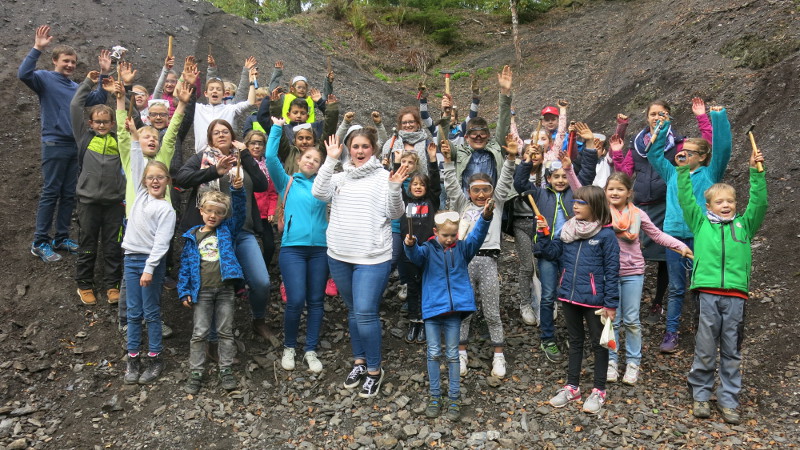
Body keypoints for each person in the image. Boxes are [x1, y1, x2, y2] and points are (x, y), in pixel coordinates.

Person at [566, 169, 691, 384]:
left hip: (632, 272)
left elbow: (657, 235)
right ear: (604, 192)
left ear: (629, 192)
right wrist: (569, 169)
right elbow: (581, 193)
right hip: (606, 273)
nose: (615, 192)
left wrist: (680, 246)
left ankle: (633, 362)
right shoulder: (601, 213)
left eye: (620, 189)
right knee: (611, 320)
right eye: (611, 189)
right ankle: (612, 361)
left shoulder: (638, 215)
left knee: (632, 320)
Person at [312, 130, 411, 398]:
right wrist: (330, 160)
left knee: (366, 312)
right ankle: (359, 361)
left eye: (365, 146)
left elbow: (395, 213)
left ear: (374, 149)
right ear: (348, 149)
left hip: (372, 257)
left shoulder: (383, 177)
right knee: (354, 311)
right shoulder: (340, 176)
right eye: (355, 146)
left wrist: (394, 188)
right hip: (339, 255)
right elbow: (319, 193)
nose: (359, 151)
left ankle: (375, 370)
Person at [678, 148, 766, 425]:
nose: (726, 205)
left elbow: (760, 203)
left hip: (737, 295)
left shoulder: (744, 225)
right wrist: (682, 171)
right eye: (719, 202)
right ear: (709, 206)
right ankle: (701, 394)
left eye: (730, 201)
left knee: (731, 349)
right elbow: (685, 199)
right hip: (707, 293)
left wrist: (756, 172)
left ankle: (729, 400)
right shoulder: (701, 223)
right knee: (705, 347)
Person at [614, 99, 712, 325]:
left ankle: (658, 301)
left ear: (669, 117)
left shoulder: (679, 144)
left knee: (663, 258)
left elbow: (706, 147)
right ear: (647, 117)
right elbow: (625, 174)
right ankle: (625, 302)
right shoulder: (637, 144)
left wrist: (702, 118)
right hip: (639, 207)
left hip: (664, 206)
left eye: (663, 114)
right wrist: (618, 154)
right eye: (653, 114)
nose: (657, 117)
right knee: (632, 250)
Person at [175, 120, 272, 341]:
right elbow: (181, 178)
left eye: (225, 131)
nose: (221, 135)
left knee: (261, 281)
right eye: (216, 132)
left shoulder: (243, 159)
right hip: (212, 233)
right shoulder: (203, 157)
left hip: (242, 231)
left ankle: (258, 320)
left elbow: (261, 184)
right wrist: (214, 171)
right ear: (210, 138)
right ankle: (211, 338)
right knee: (212, 287)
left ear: (233, 135)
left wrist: (245, 154)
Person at [19, 25, 109, 262]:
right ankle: (40, 242)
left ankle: (61, 237)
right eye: (66, 61)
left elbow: (98, 98)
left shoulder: (74, 87)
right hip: (54, 143)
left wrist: (104, 74)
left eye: (73, 62)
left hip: (75, 146)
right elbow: (23, 74)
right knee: (51, 192)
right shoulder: (44, 78)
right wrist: (37, 48)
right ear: (55, 61)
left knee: (69, 193)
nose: (70, 65)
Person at [647, 105, 731, 353]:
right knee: (675, 287)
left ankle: (702, 333)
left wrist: (718, 117)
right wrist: (662, 126)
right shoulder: (672, 173)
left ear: (703, 157)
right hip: (674, 235)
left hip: (701, 235)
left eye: (690, 153)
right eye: (682, 152)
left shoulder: (711, 172)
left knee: (701, 285)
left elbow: (724, 148)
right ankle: (671, 333)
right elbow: (653, 154)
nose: (683, 156)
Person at [514, 124, 599, 364]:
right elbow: (520, 184)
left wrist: (589, 145)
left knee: (573, 291)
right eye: (556, 176)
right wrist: (527, 161)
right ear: (548, 178)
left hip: (573, 248)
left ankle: (576, 334)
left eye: (564, 176)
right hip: (547, 248)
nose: (561, 180)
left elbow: (588, 173)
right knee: (548, 292)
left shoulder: (577, 193)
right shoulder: (539, 194)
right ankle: (547, 337)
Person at [405, 202, 492, 421]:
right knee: (433, 353)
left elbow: (477, 236)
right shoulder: (427, 249)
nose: (450, 239)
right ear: (436, 232)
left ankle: (454, 398)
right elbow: (415, 257)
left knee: (453, 356)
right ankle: (435, 397)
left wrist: (486, 217)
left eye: (453, 235)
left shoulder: (463, 249)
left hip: (454, 311)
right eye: (446, 235)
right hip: (433, 310)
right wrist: (410, 245)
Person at [538, 186, 619, 415]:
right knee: (575, 342)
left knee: (599, 344)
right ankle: (572, 387)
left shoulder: (606, 235)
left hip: (595, 302)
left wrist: (611, 304)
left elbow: (612, 271)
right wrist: (544, 235)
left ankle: (599, 390)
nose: (575, 205)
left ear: (595, 206)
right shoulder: (568, 229)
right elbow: (552, 254)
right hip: (568, 296)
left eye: (581, 202)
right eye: (575, 201)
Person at [441, 133, 516, 379]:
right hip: (466, 261)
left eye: (486, 190)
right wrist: (448, 161)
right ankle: (460, 353)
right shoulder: (463, 205)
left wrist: (511, 159)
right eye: (477, 191)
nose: (481, 195)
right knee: (464, 308)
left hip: (489, 261)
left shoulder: (496, 205)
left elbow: (505, 181)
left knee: (492, 309)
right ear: (469, 192)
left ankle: (498, 355)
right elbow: (451, 184)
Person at [266, 118, 330, 373]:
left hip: (320, 250)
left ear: (320, 166)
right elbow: (271, 158)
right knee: (295, 300)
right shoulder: (288, 182)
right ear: (300, 159)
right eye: (307, 158)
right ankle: (289, 347)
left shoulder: (325, 186)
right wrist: (276, 128)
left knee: (316, 300)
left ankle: (311, 349)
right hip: (292, 248)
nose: (311, 162)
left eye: (316, 160)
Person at [119, 114, 176, 385]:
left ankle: (154, 358)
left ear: (167, 181)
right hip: (130, 258)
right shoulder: (140, 195)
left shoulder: (166, 209)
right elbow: (137, 162)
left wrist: (150, 269)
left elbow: (162, 243)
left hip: (150, 262)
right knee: (133, 312)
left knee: (150, 311)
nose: (154, 181)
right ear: (144, 181)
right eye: (151, 177)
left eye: (160, 178)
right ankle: (133, 359)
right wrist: (132, 135)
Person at [179, 180, 246, 394]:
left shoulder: (226, 231)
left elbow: (241, 211)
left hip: (225, 289)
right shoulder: (192, 237)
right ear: (201, 211)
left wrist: (237, 190)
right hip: (202, 291)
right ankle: (196, 372)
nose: (213, 216)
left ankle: (225, 369)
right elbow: (185, 268)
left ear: (223, 216)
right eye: (209, 211)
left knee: (225, 331)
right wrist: (184, 290)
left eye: (218, 213)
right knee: (199, 332)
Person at [70, 71, 124, 306]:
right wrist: (89, 83)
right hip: (88, 201)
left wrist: (121, 94)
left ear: (112, 123)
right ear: (90, 123)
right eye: (97, 121)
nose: (102, 125)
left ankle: (112, 285)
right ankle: (84, 284)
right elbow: (75, 105)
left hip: (114, 202)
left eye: (106, 121)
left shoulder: (118, 139)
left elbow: (130, 117)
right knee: (88, 244)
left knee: (113, 245)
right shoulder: (84, 137)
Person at [399, 145, 442, 343]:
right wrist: (396, 163)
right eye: (414, 184)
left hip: (428, 251)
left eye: (421, 185)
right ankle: (413, 321)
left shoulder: (431, 201)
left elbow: (435, 184)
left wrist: (432, 159)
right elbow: (396, 184)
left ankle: (425, 321)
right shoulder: (404, 200)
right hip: (408, 252)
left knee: (427, 286)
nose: (417, 187)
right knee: (413, 287)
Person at [192, 65, 258, 152]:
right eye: (211, 89)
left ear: (223, 94)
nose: (215, 91)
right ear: (206, 93)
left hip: (224, 154)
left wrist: (252, 83)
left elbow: (250, 102)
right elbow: (182, 99)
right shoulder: (198, 108)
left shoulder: (230, 109)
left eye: (218, 89)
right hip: (202, 154)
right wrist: (188, 81)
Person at [243, 130, 278, 270]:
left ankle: (263, 269)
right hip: (248, 214)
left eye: (260, 143)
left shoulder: (267, 166)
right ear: (246, 145)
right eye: (253, 143)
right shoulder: (241, 164)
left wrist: (271, 210)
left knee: (269, 245)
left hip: (263, 215)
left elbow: (272, 192)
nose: (256, 146)